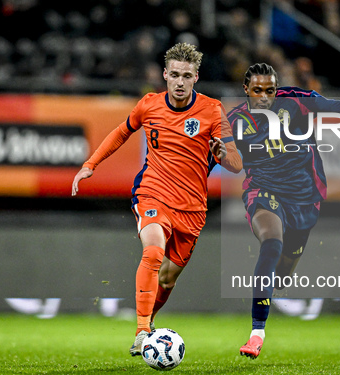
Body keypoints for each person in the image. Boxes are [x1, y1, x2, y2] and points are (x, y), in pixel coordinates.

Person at [72, 43, 242, 356]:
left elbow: (236, 163)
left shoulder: (213, 110)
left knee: (167, 276)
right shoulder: (149, 105)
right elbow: (121, 133)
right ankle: (142, 331)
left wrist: (223, 155)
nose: (179, 81)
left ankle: (149, 320)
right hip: (153, 192)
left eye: (186, 76)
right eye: (174, 74)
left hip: (192, 208)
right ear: (164, 75)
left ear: (196, 77)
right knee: (153, 250)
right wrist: (90, 165)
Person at [227, 63, 340, 359]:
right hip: (262, 190)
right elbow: (217, 155)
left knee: (282, 274)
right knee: (271, 243)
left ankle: (275, 281)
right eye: (257, 91)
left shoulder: (296, 100)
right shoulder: (234, 120)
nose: (264, 97)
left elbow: (337, 107)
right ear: (246, 90)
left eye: (269, 90)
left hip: (305, 197)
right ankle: (257, 332)